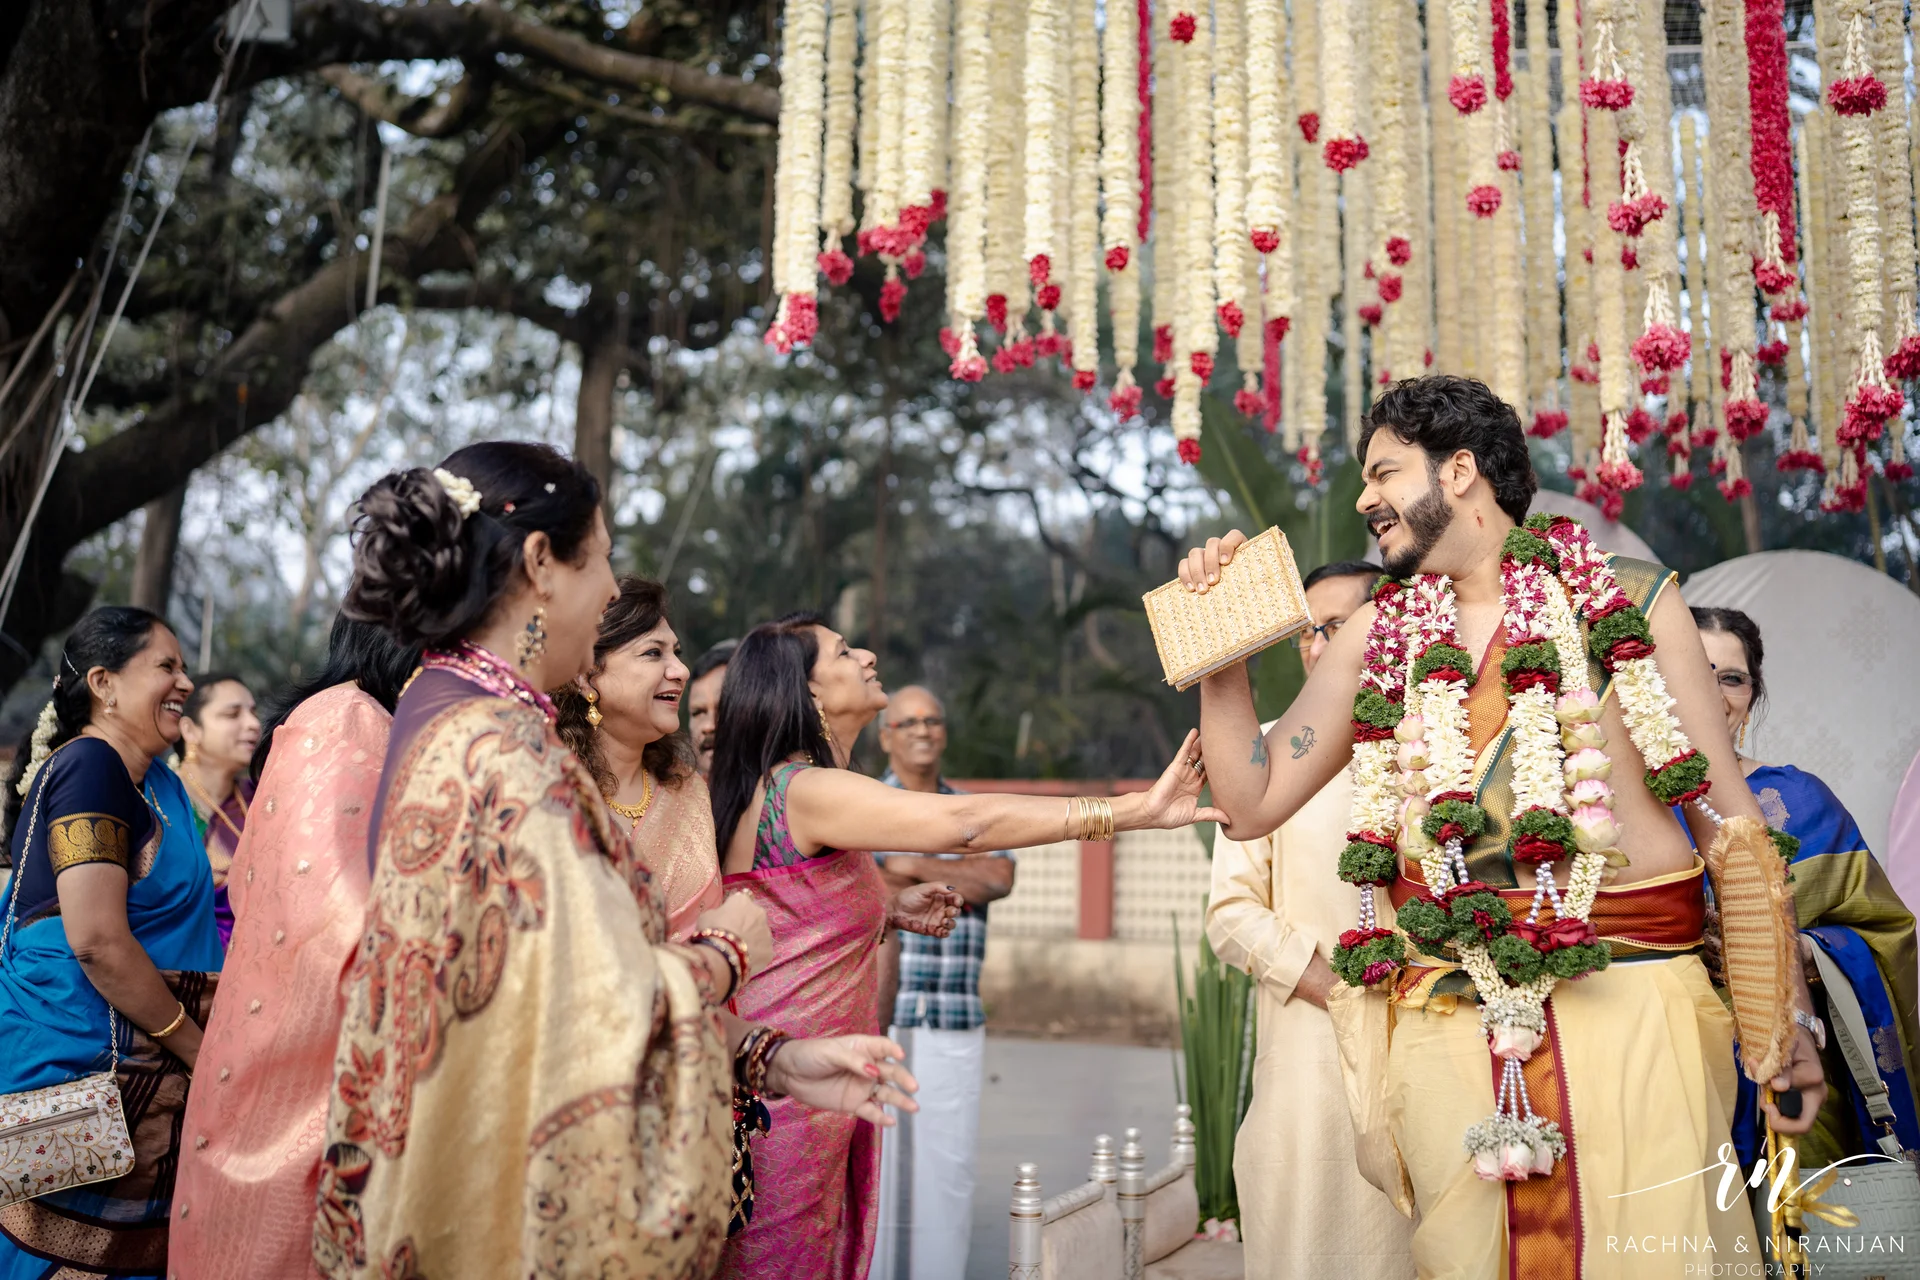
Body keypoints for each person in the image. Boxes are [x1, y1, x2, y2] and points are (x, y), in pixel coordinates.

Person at [1177, 375, 1825, 1278]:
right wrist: (1220, 650)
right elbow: (1251, 803)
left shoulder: (1628, 600)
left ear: (1460, 471)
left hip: (1635, 1001)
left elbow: (1729, 822)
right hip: (1453, 1019)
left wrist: (1784, 1020)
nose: (1363, 499)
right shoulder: (1381, 633)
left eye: (1383, 472)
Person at [312, 443, 920, 1279]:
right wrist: (729, 950)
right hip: (499, 1208)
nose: (607, 592)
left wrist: (772, 1057)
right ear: (540, 564)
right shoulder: (504, 753)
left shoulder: (446, 705)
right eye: (598, 559)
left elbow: (540, 987)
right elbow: (595, 1001)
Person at [167, 614, 419, 1280]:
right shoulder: (347, 722)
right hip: (290, 1062)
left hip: (275, 1025)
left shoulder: (360, 720)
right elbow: (336, 917)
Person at [1205, 559, 1416, 1279]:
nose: (1317, 646)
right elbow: (1231, 916)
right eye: (1307, 632)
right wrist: (1341, 992)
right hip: (1308, 1064)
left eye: (1336, 627)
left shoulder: (1441, 744)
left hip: (1432, 1045)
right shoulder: (1263, 754)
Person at [0, 606, 223, 1279]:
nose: (185, 682)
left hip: (135, 1082)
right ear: (104, 684)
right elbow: (96, 939)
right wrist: (199, 1050)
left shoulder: (157, 785)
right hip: (79, 1080)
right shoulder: (92, 768)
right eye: (166, 666)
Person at [1693, 606, 1920, 1174]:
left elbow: (1887, 930)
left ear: (1752, 696)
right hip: (1676, 1062)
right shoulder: (1613, 804)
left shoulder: (1801, 799)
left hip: (1798, 1066)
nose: (1714, 693)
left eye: (1732, 678)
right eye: (1696, 671)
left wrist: (1802, 952)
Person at [869, 685, 1015, 1280]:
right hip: (884, 1016)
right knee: (879, 1173)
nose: (923, 730)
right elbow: (872, 886)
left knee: (947, 1172)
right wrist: (950, 871)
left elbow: (997, 877)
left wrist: (906, 864)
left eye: (932, 720)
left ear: (945, 732)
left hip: (954, 1020)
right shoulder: (868, 806)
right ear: (887, 737)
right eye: (908, 722)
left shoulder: (973, 810)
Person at [554, 576, 725, 938]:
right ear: (585, 674)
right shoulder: (550, 789)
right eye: (653, 653)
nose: (681, 671)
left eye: (676, 652)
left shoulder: (688, 789)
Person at [174, 671, 261, 947]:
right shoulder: (163, 798)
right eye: (232, 714)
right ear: (190, 730)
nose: (254, 724)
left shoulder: (263, 797)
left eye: (253, 713)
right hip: (183, 959)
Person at [688, 637, 738, 779]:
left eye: (722, 709)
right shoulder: (672, 791)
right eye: (698, 712)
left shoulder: (786, 787)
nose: (709, 726)